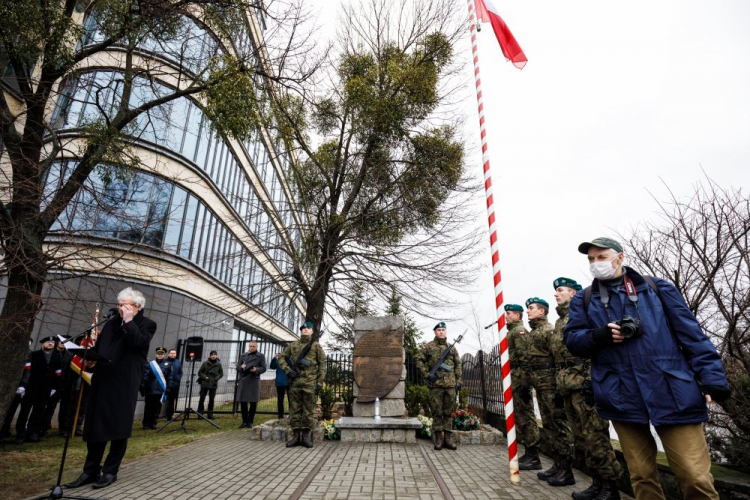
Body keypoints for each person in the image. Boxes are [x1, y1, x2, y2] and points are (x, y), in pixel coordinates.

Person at [564, 237, 731, 500]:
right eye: (591, 259)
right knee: (641, 477)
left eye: (602, 257)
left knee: (695, 476)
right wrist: (597, 336)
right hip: (621, 396)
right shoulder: (585, 299)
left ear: (620, 257)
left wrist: (711, 377)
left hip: (672, 390)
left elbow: (692, 335)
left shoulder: (657, 288)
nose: (596, 263)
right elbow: (573, 341)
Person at [64, 287, 156, 490]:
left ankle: (110, 471)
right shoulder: (110, 324)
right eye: (119, 304)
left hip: (124, 383)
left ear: (138, 307)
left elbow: (138, 342)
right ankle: (90, 470)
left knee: (118, 427)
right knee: (96, 426)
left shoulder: (147, 324)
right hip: (103, 379)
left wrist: (129, 321)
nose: (121, 308)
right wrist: (90, 361)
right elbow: (99, 349)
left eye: (126, 305)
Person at [551, 277, 622, 500]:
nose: (555, 294)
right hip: (568, 385)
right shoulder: (560, 321)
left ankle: (610, 488)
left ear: (573, 294)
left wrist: (592, 380)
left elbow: (594, 347)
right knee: (583, 438)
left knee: (597, 437)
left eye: (560, 290)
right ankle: (597, 483)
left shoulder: (585, 313)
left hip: (584, 384)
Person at [524, 297, 575, 485]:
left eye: (531, 308)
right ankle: (558, 464)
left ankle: (567, 469)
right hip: (540, 385)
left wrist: (557, 385)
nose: (528, 311)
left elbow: (556, 358)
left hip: (550, 385)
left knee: (559, 425)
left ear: (542, 312)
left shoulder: (548, 330)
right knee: (549, 425)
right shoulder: (534, 332)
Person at [278, 321, 327, 448]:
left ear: (312, 331)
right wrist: (288, 370)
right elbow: (282, 358)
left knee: (308, 410)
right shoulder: (293, 345)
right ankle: (295, 436)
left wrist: (319, 383)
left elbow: (322, 365)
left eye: (308, 328)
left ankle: (305, 436)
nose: (305, 329)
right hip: (295, 383)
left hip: (310, 384)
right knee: (295, 409)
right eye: (303, 328)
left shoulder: (316, 347)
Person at [416, 321, 463, 451]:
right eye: (439, 330)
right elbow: (418, 359)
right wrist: (426, 374)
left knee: (449, 412)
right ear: (435, 332)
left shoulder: (452, 348)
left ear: (446, 332)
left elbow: (458, 365)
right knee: (437, 412)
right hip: (436, 385)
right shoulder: (428, 347)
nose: (441, 332)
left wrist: (458, 381)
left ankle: (448, 439)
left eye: (443, 329)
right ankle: (438, 439)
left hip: (450, 385)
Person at [506, 304, 542, 471]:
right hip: (514, 378)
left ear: (517, 316)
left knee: (526, 417)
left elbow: (524, 359)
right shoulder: (511, 332)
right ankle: (529, 452)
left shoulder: (518, 332)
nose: (505, 316)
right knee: (520, 417)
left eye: (508, 313)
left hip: (519, 380)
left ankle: (534, 455)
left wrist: (524, 384)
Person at [15, 336, 63, 444]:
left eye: (52, 342)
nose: (50, 343)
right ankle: (20, 434)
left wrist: (55, 387)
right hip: (31, 388)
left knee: (38, 412)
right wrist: (23, 385)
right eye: (48, 342)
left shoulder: (57, 356)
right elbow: (27, 371)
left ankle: (32, 433)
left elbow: (58, 373)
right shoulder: (34, 355)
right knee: (24, 412)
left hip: (45, 389)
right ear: (42, 344)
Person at [140, 347, 173, 429]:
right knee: (148, 407)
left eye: (161, 354)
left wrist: (169, 387)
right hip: (150, 388)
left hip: (160, 389)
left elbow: (170, 377)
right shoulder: (151, 364)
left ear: (164, 355)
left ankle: (153, 423)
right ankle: (146, 424)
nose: (160, 355)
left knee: (157, 407)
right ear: (156, 354)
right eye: (158, 353)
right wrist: (143, 386)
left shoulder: (168, 364)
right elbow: (145, 376)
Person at [236, 341, 267, 428]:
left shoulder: (260, 356)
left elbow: (264, 368)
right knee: (243, 402)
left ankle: (250, 421)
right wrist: (241, 368)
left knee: (253, 402)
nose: (252, 347)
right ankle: (244, 421)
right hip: (244, 380)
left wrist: (256, 370)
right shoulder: (243, 355)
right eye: (250, 346)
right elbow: (237, 367)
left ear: (256, 347)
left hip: (253, 380)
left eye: (253, 346)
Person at [197, 350, 224, 419]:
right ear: (210, 355)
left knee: (211, 399)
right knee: (202, 399)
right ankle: (200, 414)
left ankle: (210, 414)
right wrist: (205, 377)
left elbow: (221, 373)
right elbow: (200, 372)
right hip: (205, 383)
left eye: (214, 355)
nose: (213, 356)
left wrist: (216, 378)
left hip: (213, 384)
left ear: (216, 356)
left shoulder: (219, 364)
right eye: (212, 355)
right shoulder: (205, 363)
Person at [270, 352, 290, 420]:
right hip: (280, 382)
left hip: (289, 382)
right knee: (280, 400)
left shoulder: (290, 359)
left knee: (291, 400)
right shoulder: (278, 360)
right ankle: (280, 415)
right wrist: (274, 358)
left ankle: (291, 415)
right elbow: (272, 366)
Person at [164, 349, 183, 420]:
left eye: (174, 353)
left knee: (172, 401)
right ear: (168, 354)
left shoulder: (178, 362)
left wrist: (178, 378)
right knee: (161, 400)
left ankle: (170, 416)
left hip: (175, 385)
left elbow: (180, 372)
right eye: (171, 353)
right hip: (165, 384)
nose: (173, 354)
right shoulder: (164, 361)